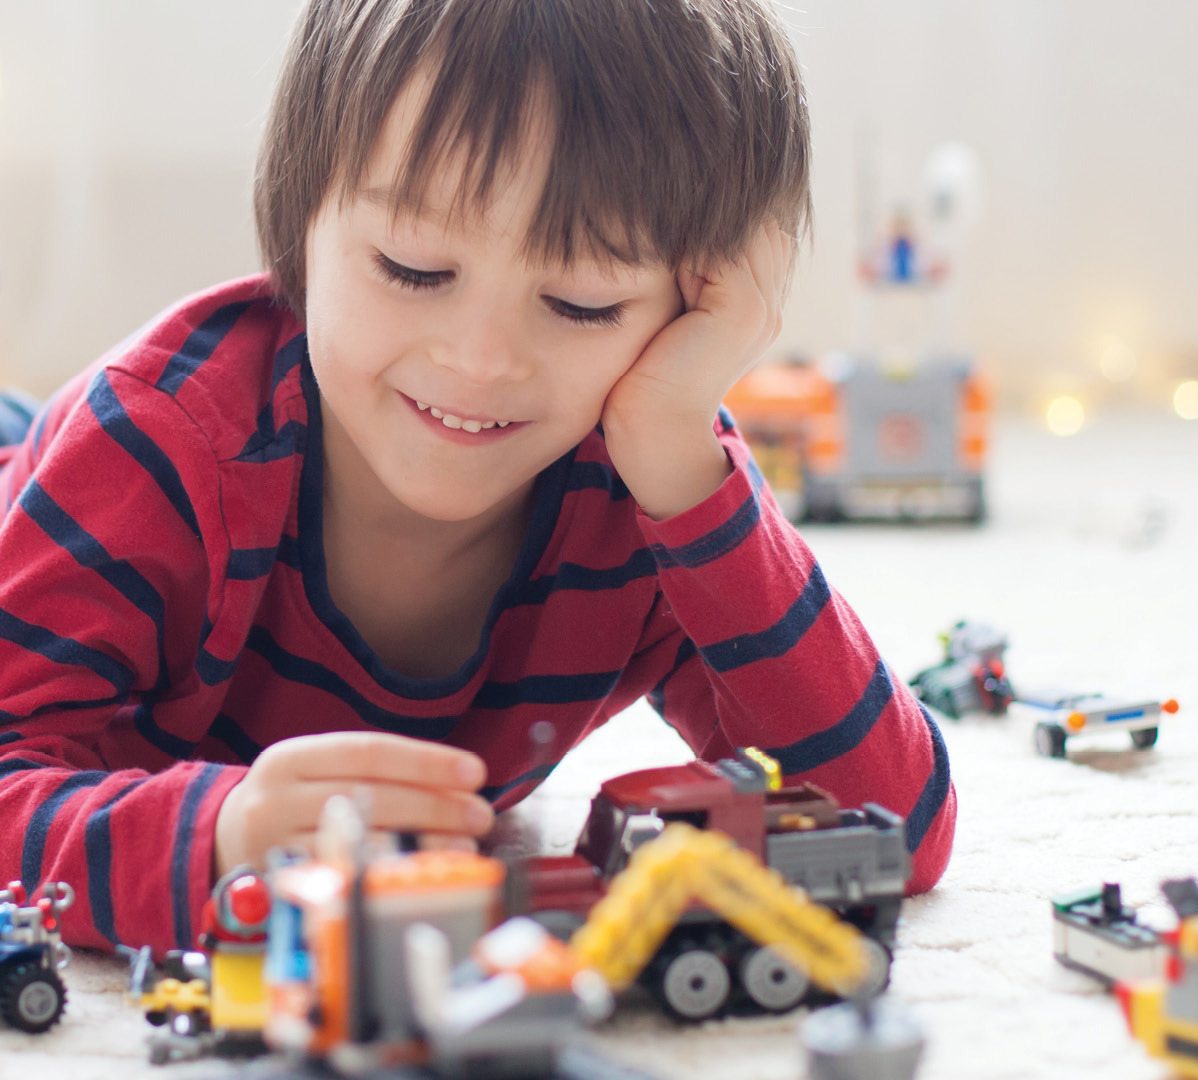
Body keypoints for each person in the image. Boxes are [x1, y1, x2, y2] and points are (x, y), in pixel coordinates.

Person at [0, 0, 954, 954]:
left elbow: (890, 832)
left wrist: (681, 453)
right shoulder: (156, 447)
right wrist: (222, 837)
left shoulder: (646, 481)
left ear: (699, 302)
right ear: (300, 227)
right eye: (413, 269)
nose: (483, 361)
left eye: (583, 304)